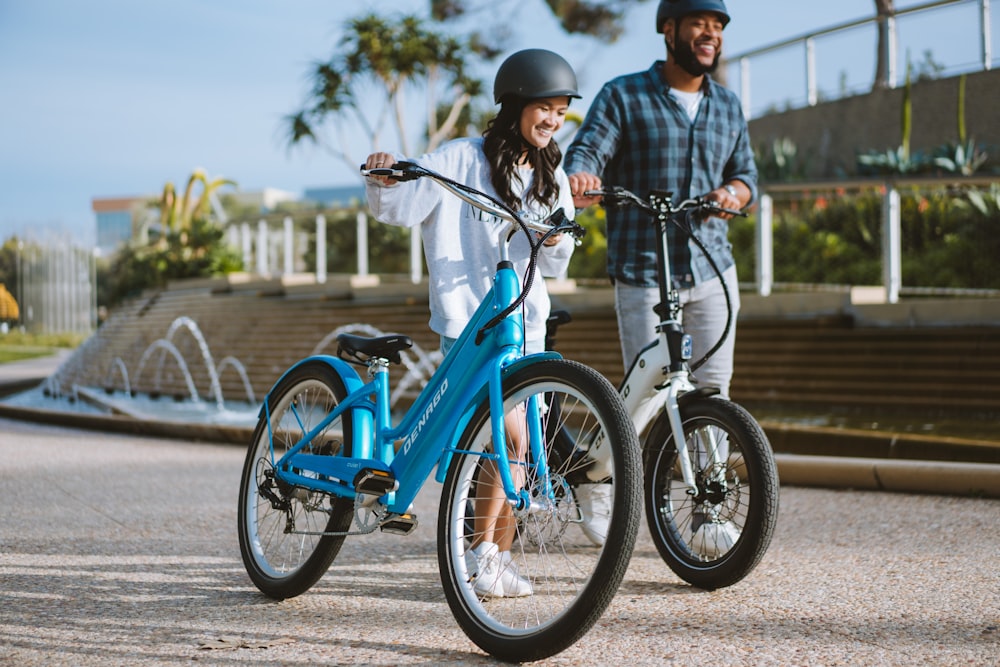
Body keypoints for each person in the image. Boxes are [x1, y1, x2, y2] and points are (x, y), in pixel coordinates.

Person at [363, 49, 579, 597]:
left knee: (522, 447)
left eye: (560, 111)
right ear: (514, 105)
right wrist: (386, 174)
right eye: (544, 108)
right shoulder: (462, 159)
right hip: (470, 322)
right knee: (502, 434)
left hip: (524, 322)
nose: (552, 120)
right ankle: (482, 552)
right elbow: (403, 206)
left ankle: (494, 557)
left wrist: (556, 238)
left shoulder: (554, 179)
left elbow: (556, 261)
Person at [564, 0, 758, 547]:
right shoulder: (624, 94)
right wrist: (581, 176)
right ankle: (597, 478)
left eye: (717, 27)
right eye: (700, 23)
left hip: (712, 266)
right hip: (644, 268)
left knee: (713, 393)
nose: (710, 34)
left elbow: (747, 174)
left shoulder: (727, 105)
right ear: (669, 30)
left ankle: (709, 509)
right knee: (645, 391)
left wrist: (733, 193)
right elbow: (590, 149)